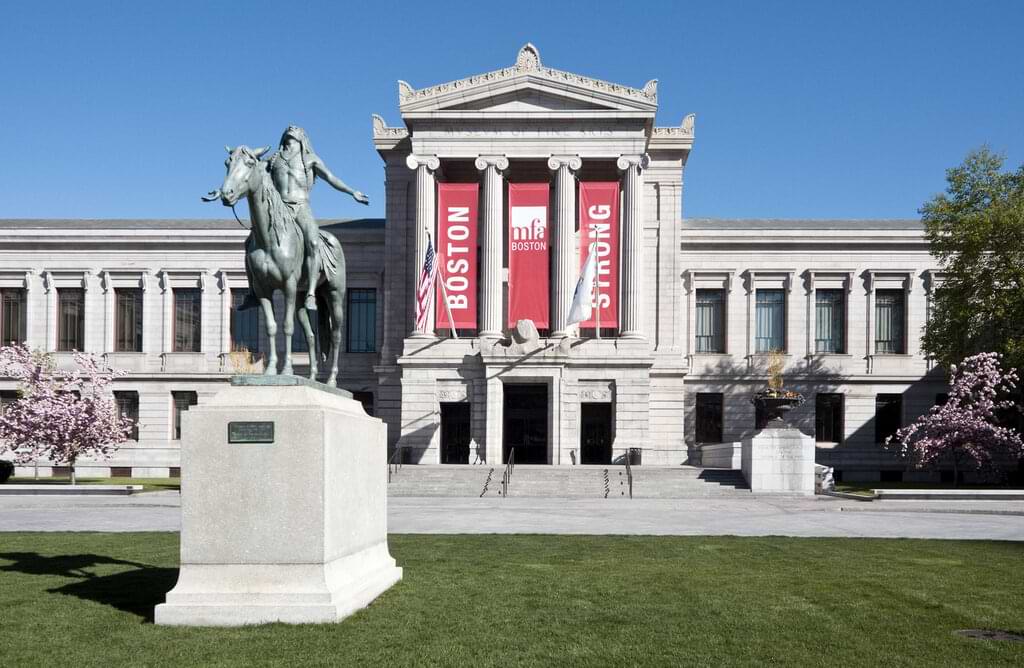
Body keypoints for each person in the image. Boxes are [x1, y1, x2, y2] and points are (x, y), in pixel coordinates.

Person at [239, 125, 368, 311]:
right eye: (289, 130)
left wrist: (352, 192)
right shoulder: (274, 160)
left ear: (303, 138)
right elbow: (248, 174)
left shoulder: (309, 159)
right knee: (249, 243)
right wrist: (224, 190)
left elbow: (331, 178)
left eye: (296, 129)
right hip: (280, 208)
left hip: (301, 207)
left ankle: (310, 293)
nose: (291, 128)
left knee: (313, 242)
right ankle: (253, 294)